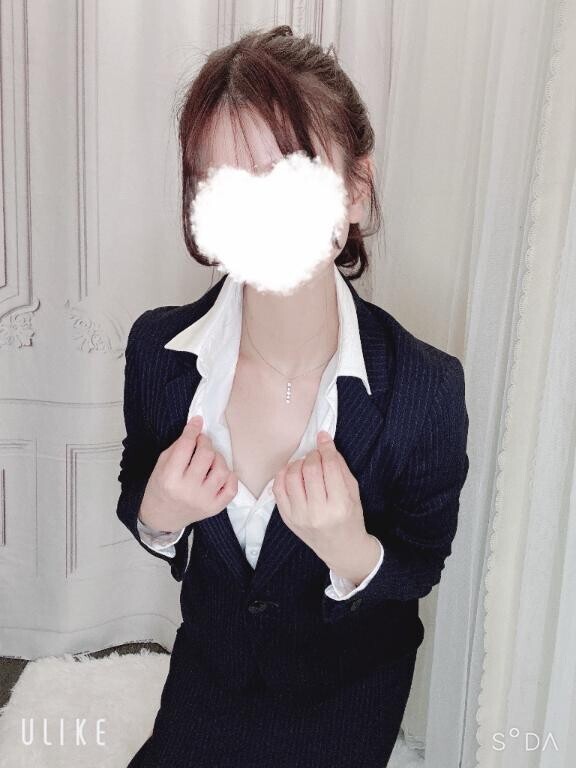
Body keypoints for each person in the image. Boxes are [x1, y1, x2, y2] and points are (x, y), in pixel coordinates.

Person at [117, 25, 470, 768]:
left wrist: (351, 549)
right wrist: (158, 516)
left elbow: (422, 562)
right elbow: (138, 495)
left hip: (347, 697)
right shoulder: (160, 352)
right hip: (209, 681)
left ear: (355, 188)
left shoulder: (426, 389)